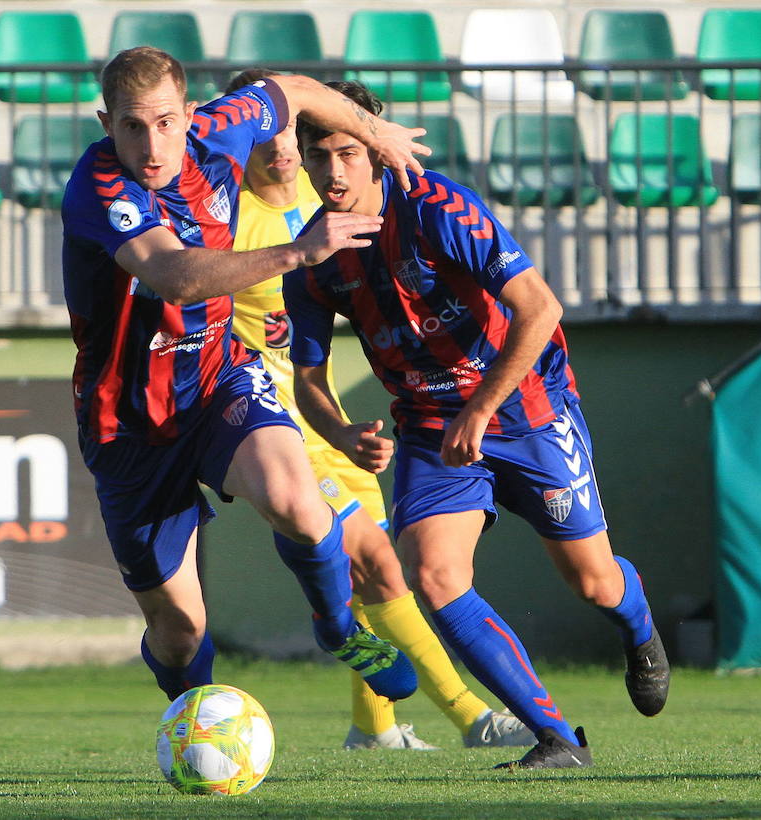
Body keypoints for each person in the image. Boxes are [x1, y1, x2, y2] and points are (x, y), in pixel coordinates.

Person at [286, 81, 670, 770]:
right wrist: (341, 433)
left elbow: (540, 308)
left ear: (375, 148)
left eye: (347, 151)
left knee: (593, 583)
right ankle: (556, 738)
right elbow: (308, 380)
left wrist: (483, 407)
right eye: (318, 156)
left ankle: (637, 626)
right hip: (432, 427)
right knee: (433, 576)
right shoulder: (312, 256)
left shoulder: (437, 208)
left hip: (528, 409)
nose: (334, 171)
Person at [62, 47, 430, 710]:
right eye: (132, 126)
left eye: (167, 123)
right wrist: (296, 252)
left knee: (297, 499)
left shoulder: (225, 131)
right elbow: (173, 274)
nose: (152, 144)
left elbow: (291, 87)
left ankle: (339, 626)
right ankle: (192, 709)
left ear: (192, 116)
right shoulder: (100, 188)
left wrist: (375, 134)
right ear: (104, 122)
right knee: (179, 632)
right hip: (129, 425)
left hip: (216, 380)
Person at [222, 70, 533, 751]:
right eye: (267, 134)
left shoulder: (331, 190)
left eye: (288, 132)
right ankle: (472, 716)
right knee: (383, 567)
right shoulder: (230, 223)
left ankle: (373, 728)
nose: (282, 147)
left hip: (337, 428)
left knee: (371, 575)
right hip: (280, 431)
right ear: (241, 142)